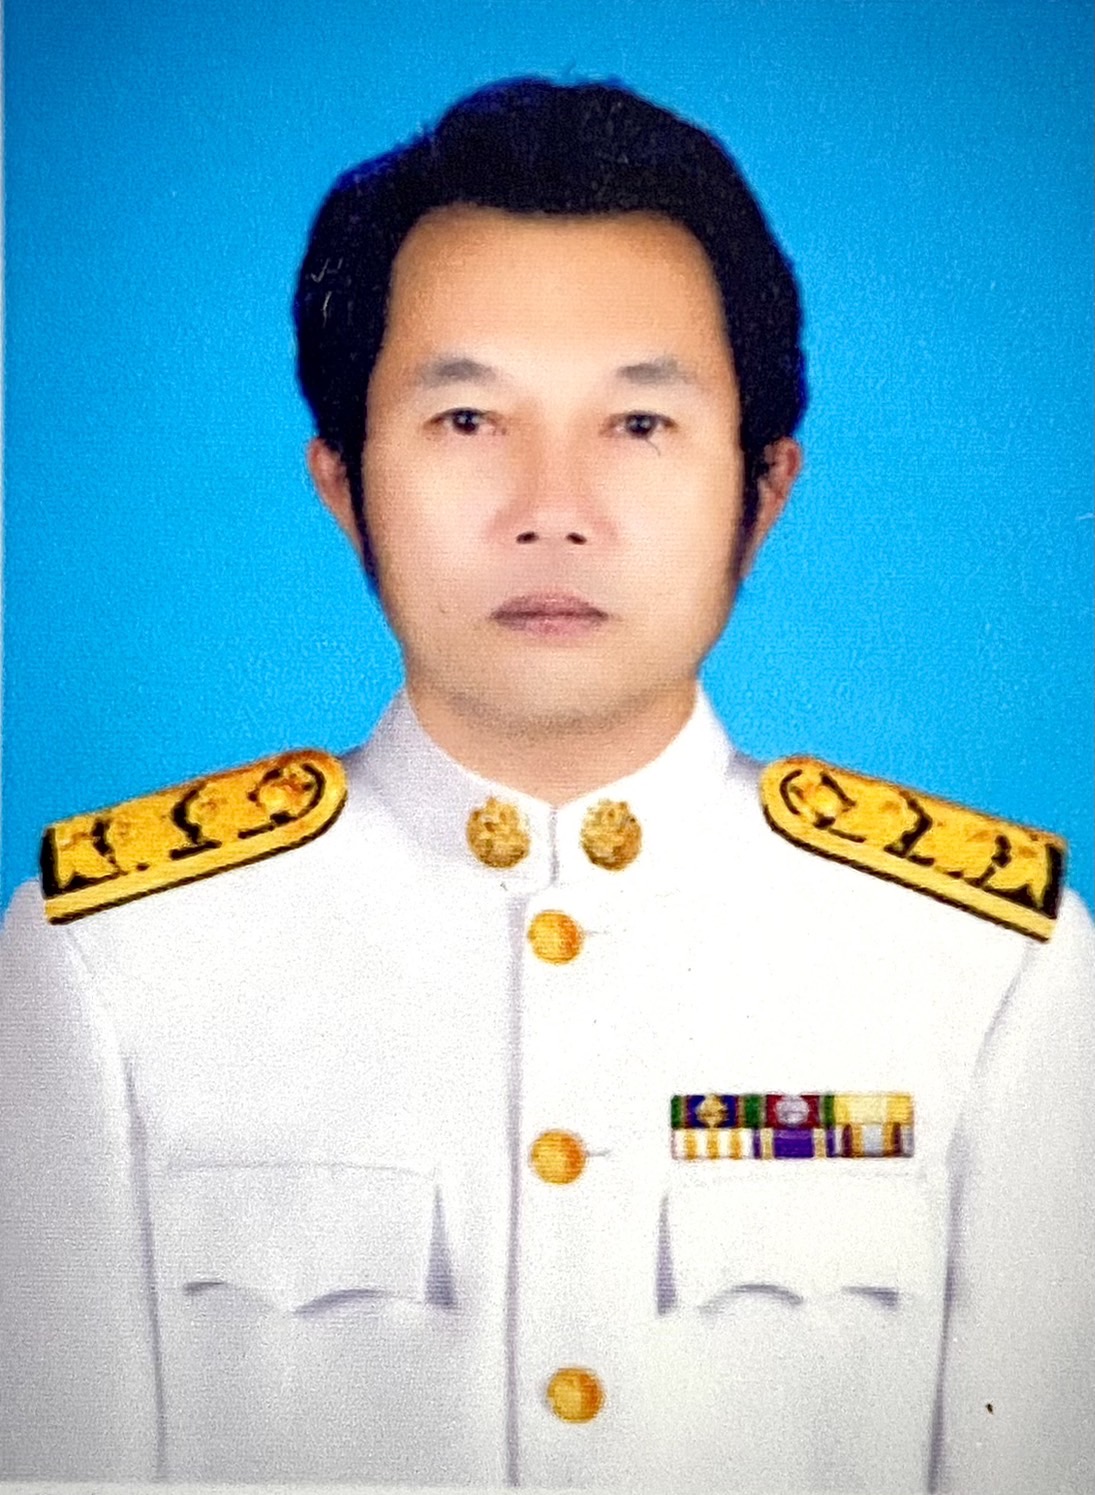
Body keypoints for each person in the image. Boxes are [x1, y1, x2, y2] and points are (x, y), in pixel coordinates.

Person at [1, 76, 1091, 1492]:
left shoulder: (993, 969)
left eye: (639, 425)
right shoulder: (107, 961)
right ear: (344, 485)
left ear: (763, 490)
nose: (552, 511)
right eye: (468, 421)